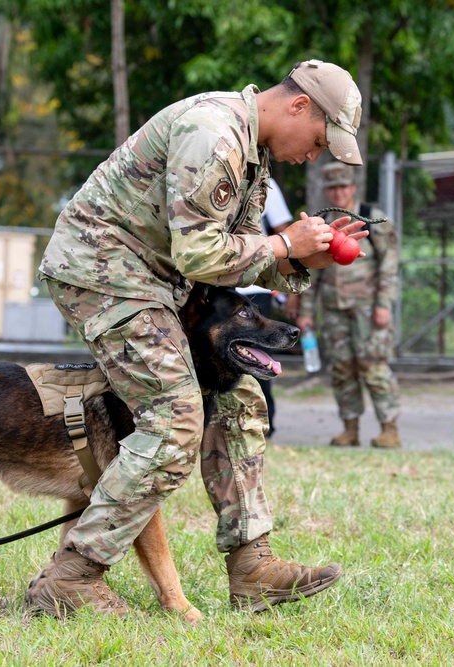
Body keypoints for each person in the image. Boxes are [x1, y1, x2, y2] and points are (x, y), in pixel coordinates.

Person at [31, 59, 366, 617]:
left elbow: (231, 260)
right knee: (176, 414)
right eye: (317, 140)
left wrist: (298, 260)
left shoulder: (252, 152)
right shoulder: (213, 134)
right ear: (298, 105)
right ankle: (72, 578)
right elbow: (200, 255)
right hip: (104, 272)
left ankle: (252, 567)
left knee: (240, 394)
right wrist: (283, 245)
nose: (315, 154)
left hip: (160, 281)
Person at [296, 161, 402, 449]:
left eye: (343, 186)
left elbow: (390, 264)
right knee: (342, 370)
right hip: (334, 310)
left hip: (368, 309)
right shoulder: (323, 224)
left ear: (353, 187)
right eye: (333, 188)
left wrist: (383, 304)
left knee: (374, 367)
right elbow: (312, 272)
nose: (338, 193)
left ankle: (389, 428)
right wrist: (306, 312)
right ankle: (350, 428)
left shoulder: (370, 218)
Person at [236, 177, 294, 438]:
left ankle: (263, 424)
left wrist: (291, 288)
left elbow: (286, 233)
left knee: (259, 360)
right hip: (215, 282)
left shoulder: (266, 183)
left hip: (256, 287)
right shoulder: (211, 168)